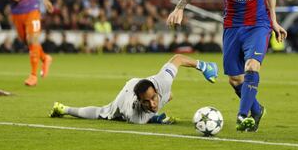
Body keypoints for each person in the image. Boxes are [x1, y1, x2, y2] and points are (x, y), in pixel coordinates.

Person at [167, 0, 287, 132]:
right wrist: (179, 8)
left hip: (258, 25)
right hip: (232, 26)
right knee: (235, 80)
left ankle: (242, 116)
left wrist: (273, 21)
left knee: (252, 66)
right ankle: (257, 110)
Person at [49, 54, 218, 124]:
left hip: (143, 83)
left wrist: (202, 66)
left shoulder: (163, 81)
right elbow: (146, 115)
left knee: (170, 95)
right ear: (140, 102)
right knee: (105, 112)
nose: (152, 104)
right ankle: (63, 109)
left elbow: (178, 58)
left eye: (154, 98)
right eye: (147, 102)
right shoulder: (134, 115)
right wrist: (157, 119)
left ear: (156, 91)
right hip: (129, 91)